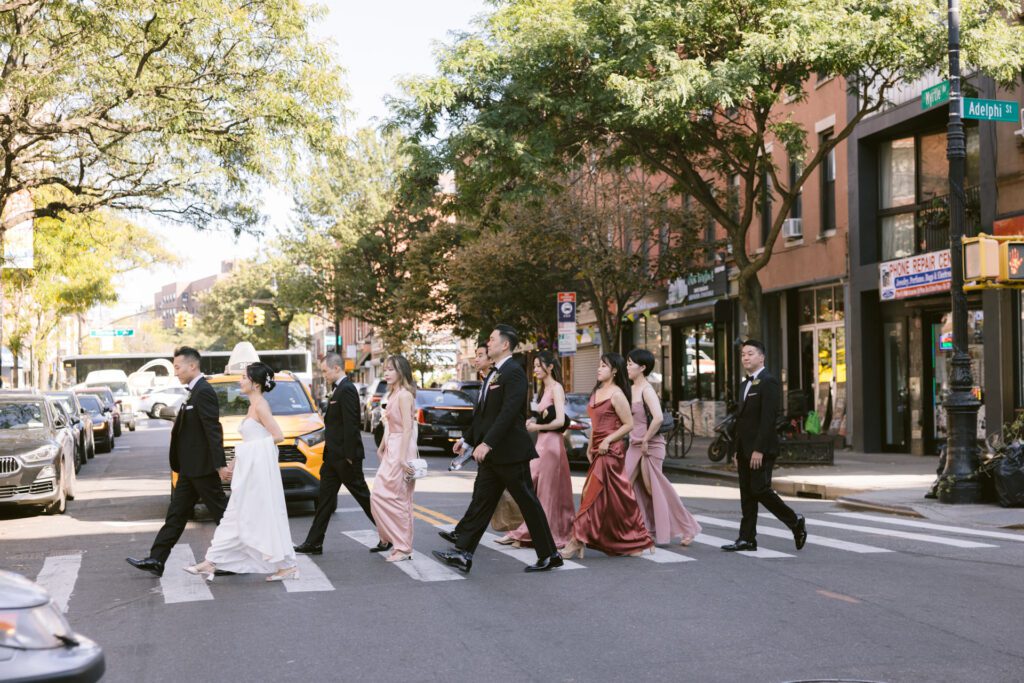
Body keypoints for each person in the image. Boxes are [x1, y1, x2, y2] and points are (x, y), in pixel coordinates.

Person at [433, 325, 562, 574]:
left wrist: (487, 442)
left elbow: (508, 412)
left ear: (505, 345)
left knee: (527, 502)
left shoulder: (513, 372)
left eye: (492, 340)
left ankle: (550, 554)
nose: (487, 343)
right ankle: (463, 553)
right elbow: (484, 415)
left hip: (510, 453)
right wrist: (468, 440)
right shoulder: (493, 374)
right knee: (482, 502)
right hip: (492, 455)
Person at [184, 363, 299, 581]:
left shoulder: (261, 406)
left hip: (257, 475)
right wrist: (233, 465)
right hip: (247, 471)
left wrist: (246, 452)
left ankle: (287, 565)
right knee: (236, 516)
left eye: (244, 378)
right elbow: (250, 440)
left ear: (255, 384)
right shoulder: (252, 405)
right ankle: (212, 561)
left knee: (255, 516)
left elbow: (277, 436)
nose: (240, 381)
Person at [127, 347, 229, 577]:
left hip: (202, 468)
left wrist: (220, 465)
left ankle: (237, 558)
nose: (176, 372)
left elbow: (213, 430)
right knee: (176, 515)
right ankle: (156, 559)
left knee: (222, 515)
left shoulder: (204, 391)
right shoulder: (192, 391)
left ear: (192, 366)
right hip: (189, 469)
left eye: (177, 367)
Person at [561, 353, 654, 559]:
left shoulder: (617, 393)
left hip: (611, 450)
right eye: (599, 365)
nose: (598, 369)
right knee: (616, 498)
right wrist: (591, 443)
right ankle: (633, 540)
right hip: (597, 448)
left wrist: (607, 440)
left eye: (603, 366)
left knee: (591, 494)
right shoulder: (597, 391)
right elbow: (595, 421)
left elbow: (629, 424)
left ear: (614, 371)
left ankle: (577, 539)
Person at [721, 339, 807, 553]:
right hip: (744, 449)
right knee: (747, 494)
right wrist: (736, 450)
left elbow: (768, 419)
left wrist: (758, 449)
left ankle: (795, 521)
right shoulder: (744, 384)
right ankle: (747, 539)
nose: (746, 357)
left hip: (761, 449)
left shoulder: (769, 381)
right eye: (743, 354)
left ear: (762, 357)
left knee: (759, 489)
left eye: (750, 353)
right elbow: (742, 421)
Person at [295, 353, 382, 555]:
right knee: (324, 501)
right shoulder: (337, 390)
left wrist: (350, 458)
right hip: (332, 459)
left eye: (325, 371)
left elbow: (352, 425)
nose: (324, 374)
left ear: (336, 368)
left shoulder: (347, 389)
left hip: (345, 458)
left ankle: (389, 535)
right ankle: (314, 543)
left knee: (364, 499)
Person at [496, 351, 574, 549]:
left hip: (551, 444)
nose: (536, 370)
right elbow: (547, 416)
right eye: (535, 366)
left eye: (540, 366)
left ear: (549, 367)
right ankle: (520, 530)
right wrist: (535, 420)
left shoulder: (556, 388)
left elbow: (560, 420)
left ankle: (539, 533)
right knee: (529, 486)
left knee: (545, 490)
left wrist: (537, 427)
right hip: (541, 443)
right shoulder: (544, 388)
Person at [624, 349, 702, 547]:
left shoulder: (647, 390)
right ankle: (646, 528)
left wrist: (645, 440)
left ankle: (688, 526)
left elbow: (658, 418)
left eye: (631, 363)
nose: (627, 366)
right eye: (627, 362)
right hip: (635, 445)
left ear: (642, 368)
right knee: (630, 487)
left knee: (655, 489)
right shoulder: (630, 388)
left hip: (651, 445)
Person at [439, 341, 492, 546]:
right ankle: (462, 535)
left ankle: (546, 548)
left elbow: (496, 418)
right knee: (481, 496)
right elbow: (479, 419)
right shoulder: (484, 381)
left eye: (480, 355)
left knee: (522, 498)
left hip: (496, 449)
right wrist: (465, 440)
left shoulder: (497, 381)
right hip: (484, 448)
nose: (476, 358)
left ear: (491, 358)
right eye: (476, 354)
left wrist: (485, 443)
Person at [371, 355, 418, 563]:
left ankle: (403, 546)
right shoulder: (393, 394)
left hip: (402, 448)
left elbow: (408, 427)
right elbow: (389, 425)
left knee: (399, 499)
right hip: (392, 447)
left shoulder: (405, 395)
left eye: (391, 369)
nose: (387, 373)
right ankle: (396, 540)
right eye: (385, 369)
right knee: (379, 496)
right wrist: (381, 448)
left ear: (401, 371)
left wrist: (401, 458)